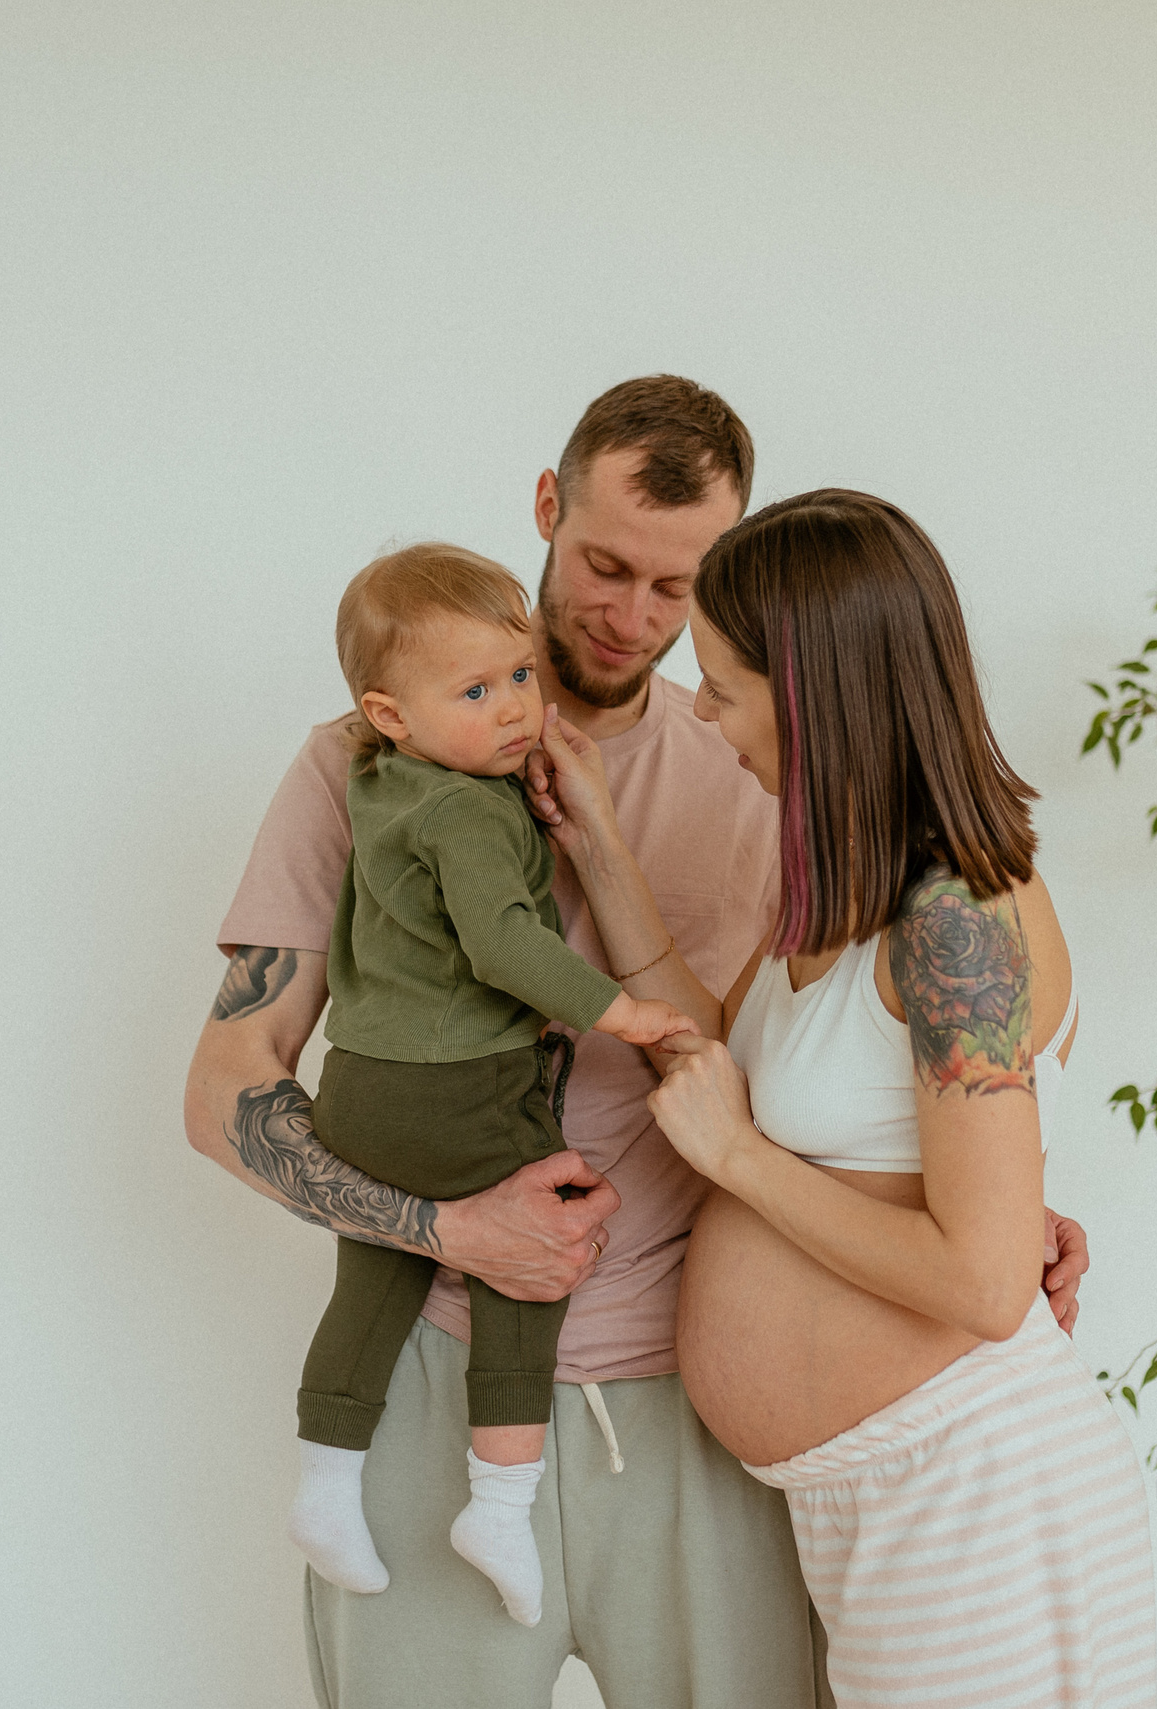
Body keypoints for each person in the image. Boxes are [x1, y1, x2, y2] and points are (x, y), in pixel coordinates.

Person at [182, 376, 1092, 1709]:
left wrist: (977, 1196)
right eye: (608, 566)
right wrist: (447, 1230)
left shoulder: (766, 765)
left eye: (679, 589)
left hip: (704, 1422)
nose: (634, 616)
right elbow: (223, 1089)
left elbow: (830, 1068)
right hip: (432, 1383)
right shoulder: (363, 766)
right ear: (546, 509)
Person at [531, 489, 1157, 1708]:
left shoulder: (954, 917)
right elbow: (723, 1064)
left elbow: (984, 1282)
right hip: (878, 1499)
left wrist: (738, 1161)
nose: (699, 712)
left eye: (722, 686)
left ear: (812, 694)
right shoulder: (843, 884)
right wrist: (600, 844)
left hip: (976, 1496)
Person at [284, 542, 695, 1627]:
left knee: (374, 1276)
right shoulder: (466, 811)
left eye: (519, 673)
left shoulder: (379, 780)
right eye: (475, 692)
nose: (515, 707)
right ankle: (500, 1503)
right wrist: (619, 1011)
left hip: (360, 1089)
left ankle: (325, 1483)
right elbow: (504, 943)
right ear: (389, 713)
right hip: (459, 1089)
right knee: (536, 1248)